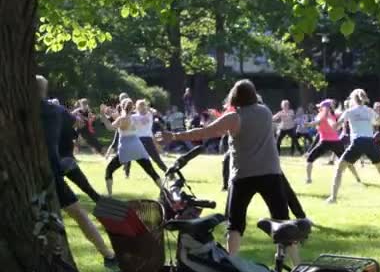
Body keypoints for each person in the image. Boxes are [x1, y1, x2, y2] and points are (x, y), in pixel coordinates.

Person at [160, 79, 301, 262]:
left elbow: (205, 133)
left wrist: (174, 136)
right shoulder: (265, 112)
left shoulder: (234, 117)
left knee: (235, 225)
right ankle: (298, 267)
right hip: (271, 173)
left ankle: (231, 261)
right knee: (284, 221)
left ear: (234, 96)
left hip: (243, 175)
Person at [37, 75, 116, 268]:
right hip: (61, 164)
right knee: (84, 204)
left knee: (79, 209)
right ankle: (108, 252)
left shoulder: (25, 109)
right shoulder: (57, 110)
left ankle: (110, 248)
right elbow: (77, 124)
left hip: (53, 168)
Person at [327, 89, 380, 204]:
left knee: (339, 169)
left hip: (357, 143)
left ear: (353, 99)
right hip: (370, 143)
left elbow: (335, 127)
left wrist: (328, 119)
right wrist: (372, 122)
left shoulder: (349, 111)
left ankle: (333, 198)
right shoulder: (369, 110)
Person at [104, 99, 162, 196]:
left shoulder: (121, 119)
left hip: (125, 149)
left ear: (122, 107)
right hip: (138, 147)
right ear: (133, 108)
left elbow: (110, 127)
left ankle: (109, 195)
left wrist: (103, 116)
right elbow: (143, 120)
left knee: (109, 170)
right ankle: (164, 191)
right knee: (151, 171)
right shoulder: (135, 118)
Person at [305, 99, 361, 184]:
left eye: (320, 107)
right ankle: (357, 178)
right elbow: (336, 123)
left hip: (325, 142)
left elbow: (318, 122)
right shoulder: (332, 115)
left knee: (309, 159)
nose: (319, 108)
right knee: (347, 161)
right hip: (336, 142)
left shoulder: (323, 115)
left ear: (325, 108)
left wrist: (309, 124)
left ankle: (308, 179)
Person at [124, 99, 168, 173]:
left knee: (156, 158)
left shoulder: (149, 114)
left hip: (147, 140)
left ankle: (168, 172)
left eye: (143, 106)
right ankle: (126, 172)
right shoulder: (133, 116)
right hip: (137, 139)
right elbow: (125, 117)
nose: (142, 108)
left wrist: (147, 107)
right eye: (140, 106)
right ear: (137, 107)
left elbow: (155, 112)